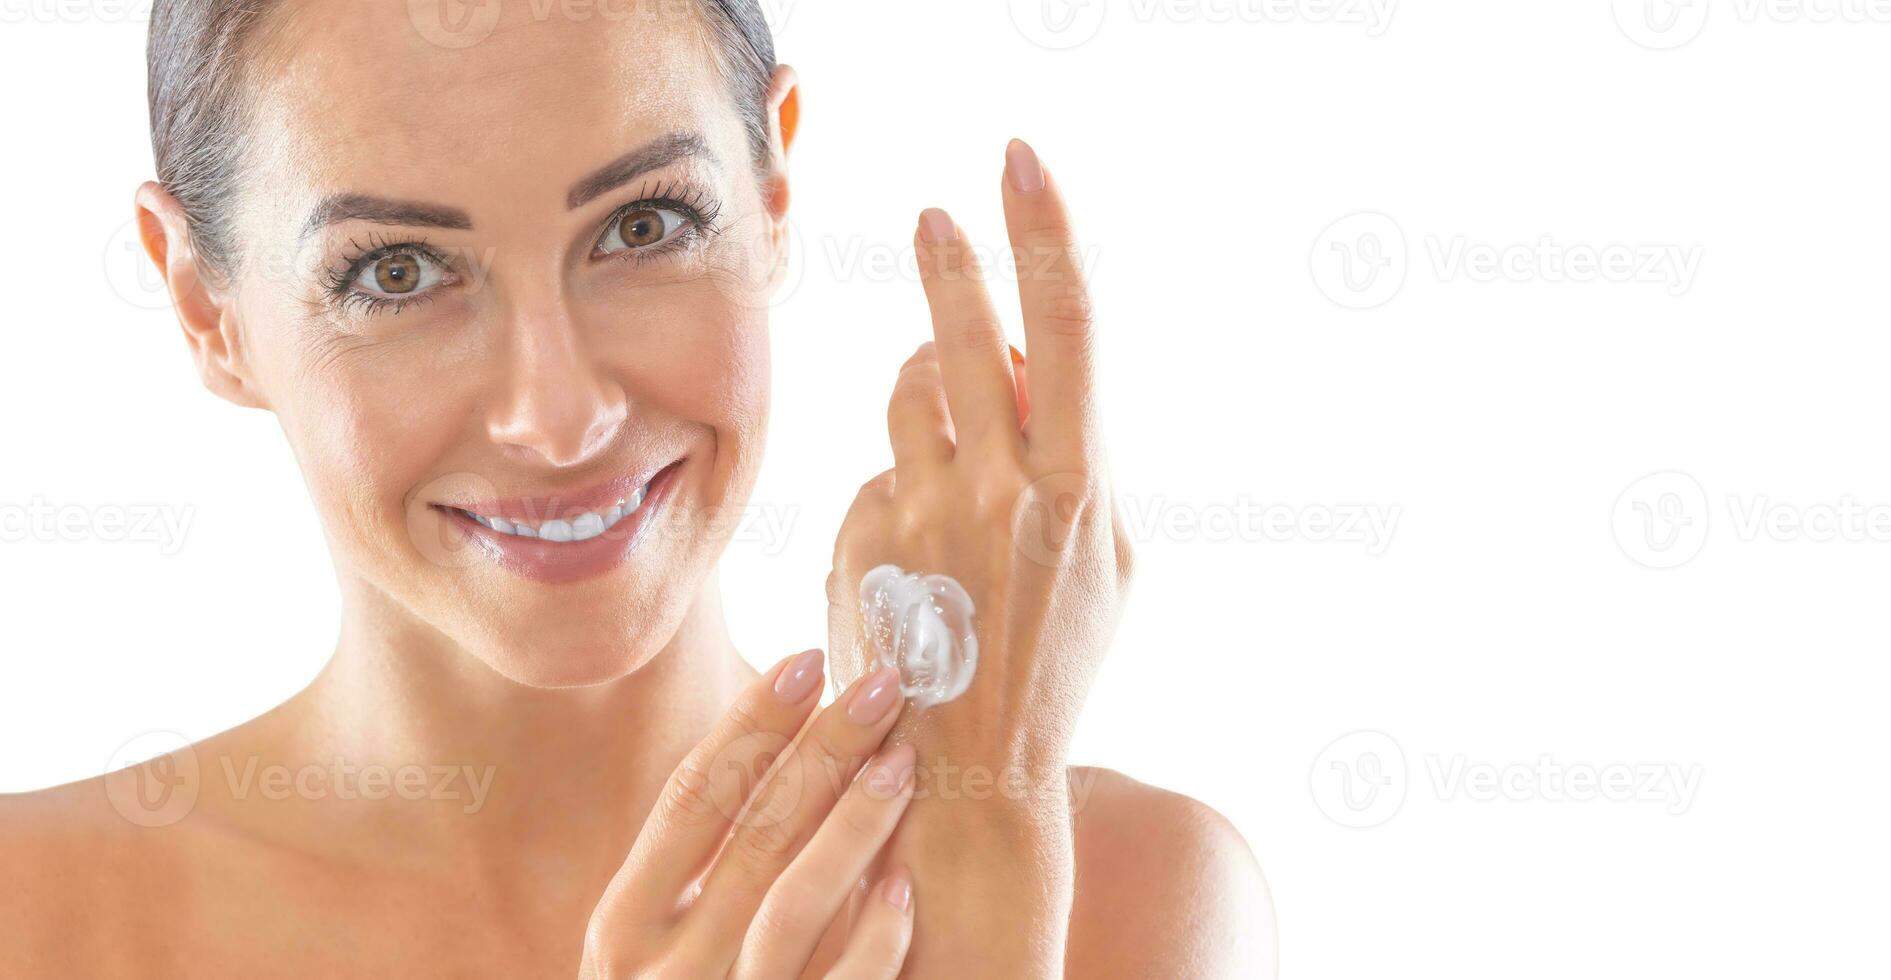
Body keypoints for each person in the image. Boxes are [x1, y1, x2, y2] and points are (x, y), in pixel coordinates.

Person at [0, 1, 1274, 976]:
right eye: (394, 272)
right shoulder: (39, 920)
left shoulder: (1129, 895)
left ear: (774, 194)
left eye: (644, 224)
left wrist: (983, 875)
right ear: (202, 305)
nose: (559, 416)